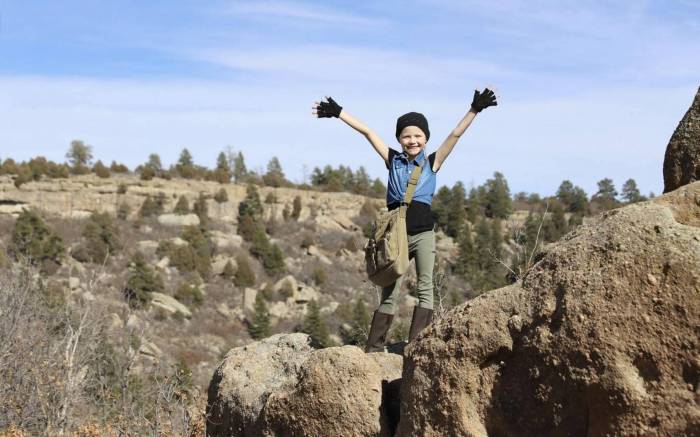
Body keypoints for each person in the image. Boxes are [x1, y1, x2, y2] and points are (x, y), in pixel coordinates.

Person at [313, 89, 497, 352]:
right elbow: (367, 132)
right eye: (406, 135)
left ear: (426, 139)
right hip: (395, 237)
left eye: (418, 135)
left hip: (423, 234)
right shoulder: (393, 161)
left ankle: (417, 347)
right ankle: (374, 349)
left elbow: (455, 134)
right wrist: (339, 112)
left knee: (425, 287)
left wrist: (474, 109)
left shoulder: (433, 162)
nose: (412, 140)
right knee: (390, 292)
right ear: (399, 139)